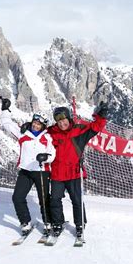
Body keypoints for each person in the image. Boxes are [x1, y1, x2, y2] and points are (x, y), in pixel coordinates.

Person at [47, 102, 108, 239]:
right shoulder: (51, 132)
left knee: (77, 200)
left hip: (74, 172)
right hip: (57, 173)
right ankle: (57, 223)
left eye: (64, 121)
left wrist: (101, 116)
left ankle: (80, 225)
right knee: (55, 200)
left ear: (69, 118)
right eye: (59, 122)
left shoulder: (79, 130)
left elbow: (96, 127)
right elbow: (37, 133)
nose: (62, 124)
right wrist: (26, 128)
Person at [0, 98, 56, 235]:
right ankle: (25, 222)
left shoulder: (47, 137)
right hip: (26, 171)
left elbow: (53, 153)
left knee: (44, 199)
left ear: (43, 126)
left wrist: (46, 157)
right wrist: (5, 109)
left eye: (39, 124)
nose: (36, 126)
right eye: (35, 123)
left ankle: (48, 222)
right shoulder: (23, 133)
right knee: (17, 197)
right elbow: (7, 124)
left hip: (41, 171)